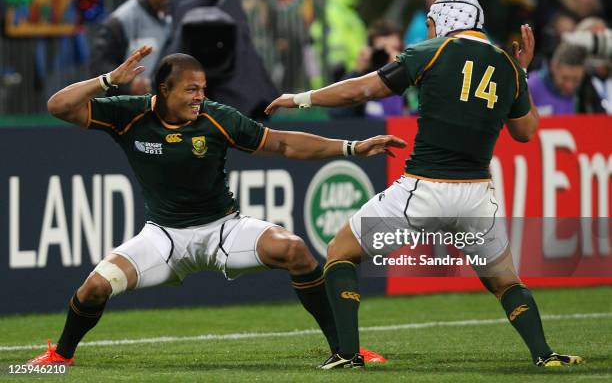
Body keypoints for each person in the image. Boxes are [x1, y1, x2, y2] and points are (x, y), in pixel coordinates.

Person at [26, 47, 405, 366]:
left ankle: (345, 349)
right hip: (163, 237)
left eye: (203, 89)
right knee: (93, 288)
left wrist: (353, 147)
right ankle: (60, 356)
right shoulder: (130, 113)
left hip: (223, 230)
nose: (199, 97)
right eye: (190, 89)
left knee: (293, 249)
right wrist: (109, 79)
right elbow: (59, 106)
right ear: (164, 89)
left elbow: (284, 143)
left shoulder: (217, 118)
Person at [265, 0, 583, 369]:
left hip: (425, 188)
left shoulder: (432, 51)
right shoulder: (506, 64)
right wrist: (522, 75)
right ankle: (544, 355)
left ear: (447, 20)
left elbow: (365, 88)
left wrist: (302, 98)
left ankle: (347, 355)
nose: (429, 30)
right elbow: (527, 131)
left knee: (340, 251)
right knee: (505, 282)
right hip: (477, 197)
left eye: (433, 23)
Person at [90, 0, 176, 96]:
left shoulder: (172, 17)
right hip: (131, 109)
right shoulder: (120, 20)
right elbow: (99, 67)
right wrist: (130, 85)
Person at [528, 43, 587, 115]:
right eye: (564, 78)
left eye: (576, 80)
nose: (569, 86)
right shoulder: (529, 86)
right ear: (553, 67)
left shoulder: (587, 91)